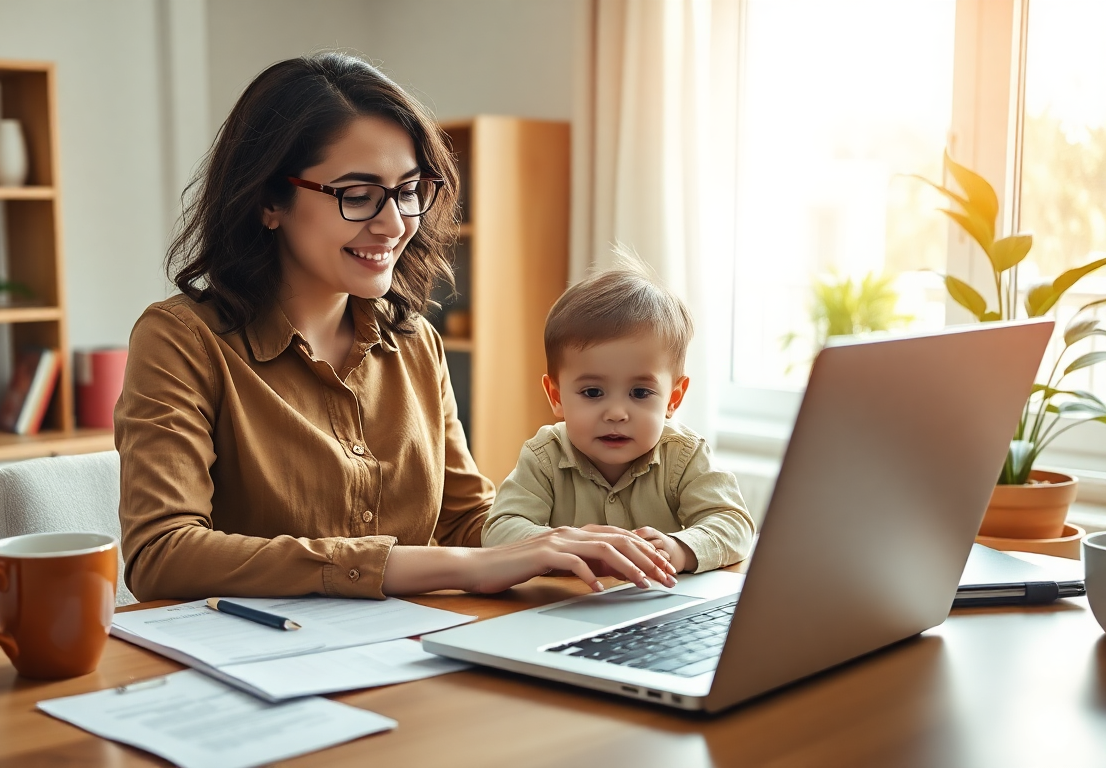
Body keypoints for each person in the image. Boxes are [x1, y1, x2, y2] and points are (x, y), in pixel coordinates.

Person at [114, 52, 676, 602]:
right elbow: (161, 554)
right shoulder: (181, 340)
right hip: (250, 665)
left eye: (409, 191)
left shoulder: (415, 344)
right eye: (357, 196)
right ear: (269, 202)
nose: (393, 223)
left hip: (408, 653)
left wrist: (560, 544)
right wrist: (422, 565)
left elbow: (462, 521)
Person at [482, 257, 755, 573]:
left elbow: (733, 523)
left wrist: (681, 548)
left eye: (640, 393)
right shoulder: (544, 456)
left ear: (673, 398)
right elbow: (498, 531)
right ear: (556, 397)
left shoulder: (683, 455)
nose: (615, 413)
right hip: (570, 609)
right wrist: (564, 544)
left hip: (656, 606)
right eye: (593, 393)